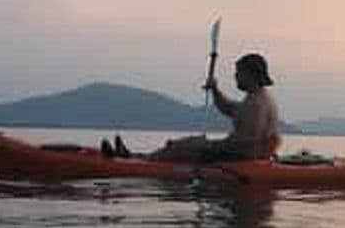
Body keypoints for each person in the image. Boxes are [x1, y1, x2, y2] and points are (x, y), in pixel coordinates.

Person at [104, 53, 280, 163]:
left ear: (251, 74)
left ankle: (135, 162)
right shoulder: (257, 98)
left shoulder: (256, 104)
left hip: (241, 157)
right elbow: (228, 109)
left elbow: (243, 144)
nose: (235, 76)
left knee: (184, 145)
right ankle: (134, 157)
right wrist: (215, 90)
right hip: (240, 153)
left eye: (239, 73)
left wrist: (207, 145)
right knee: (185, 143)